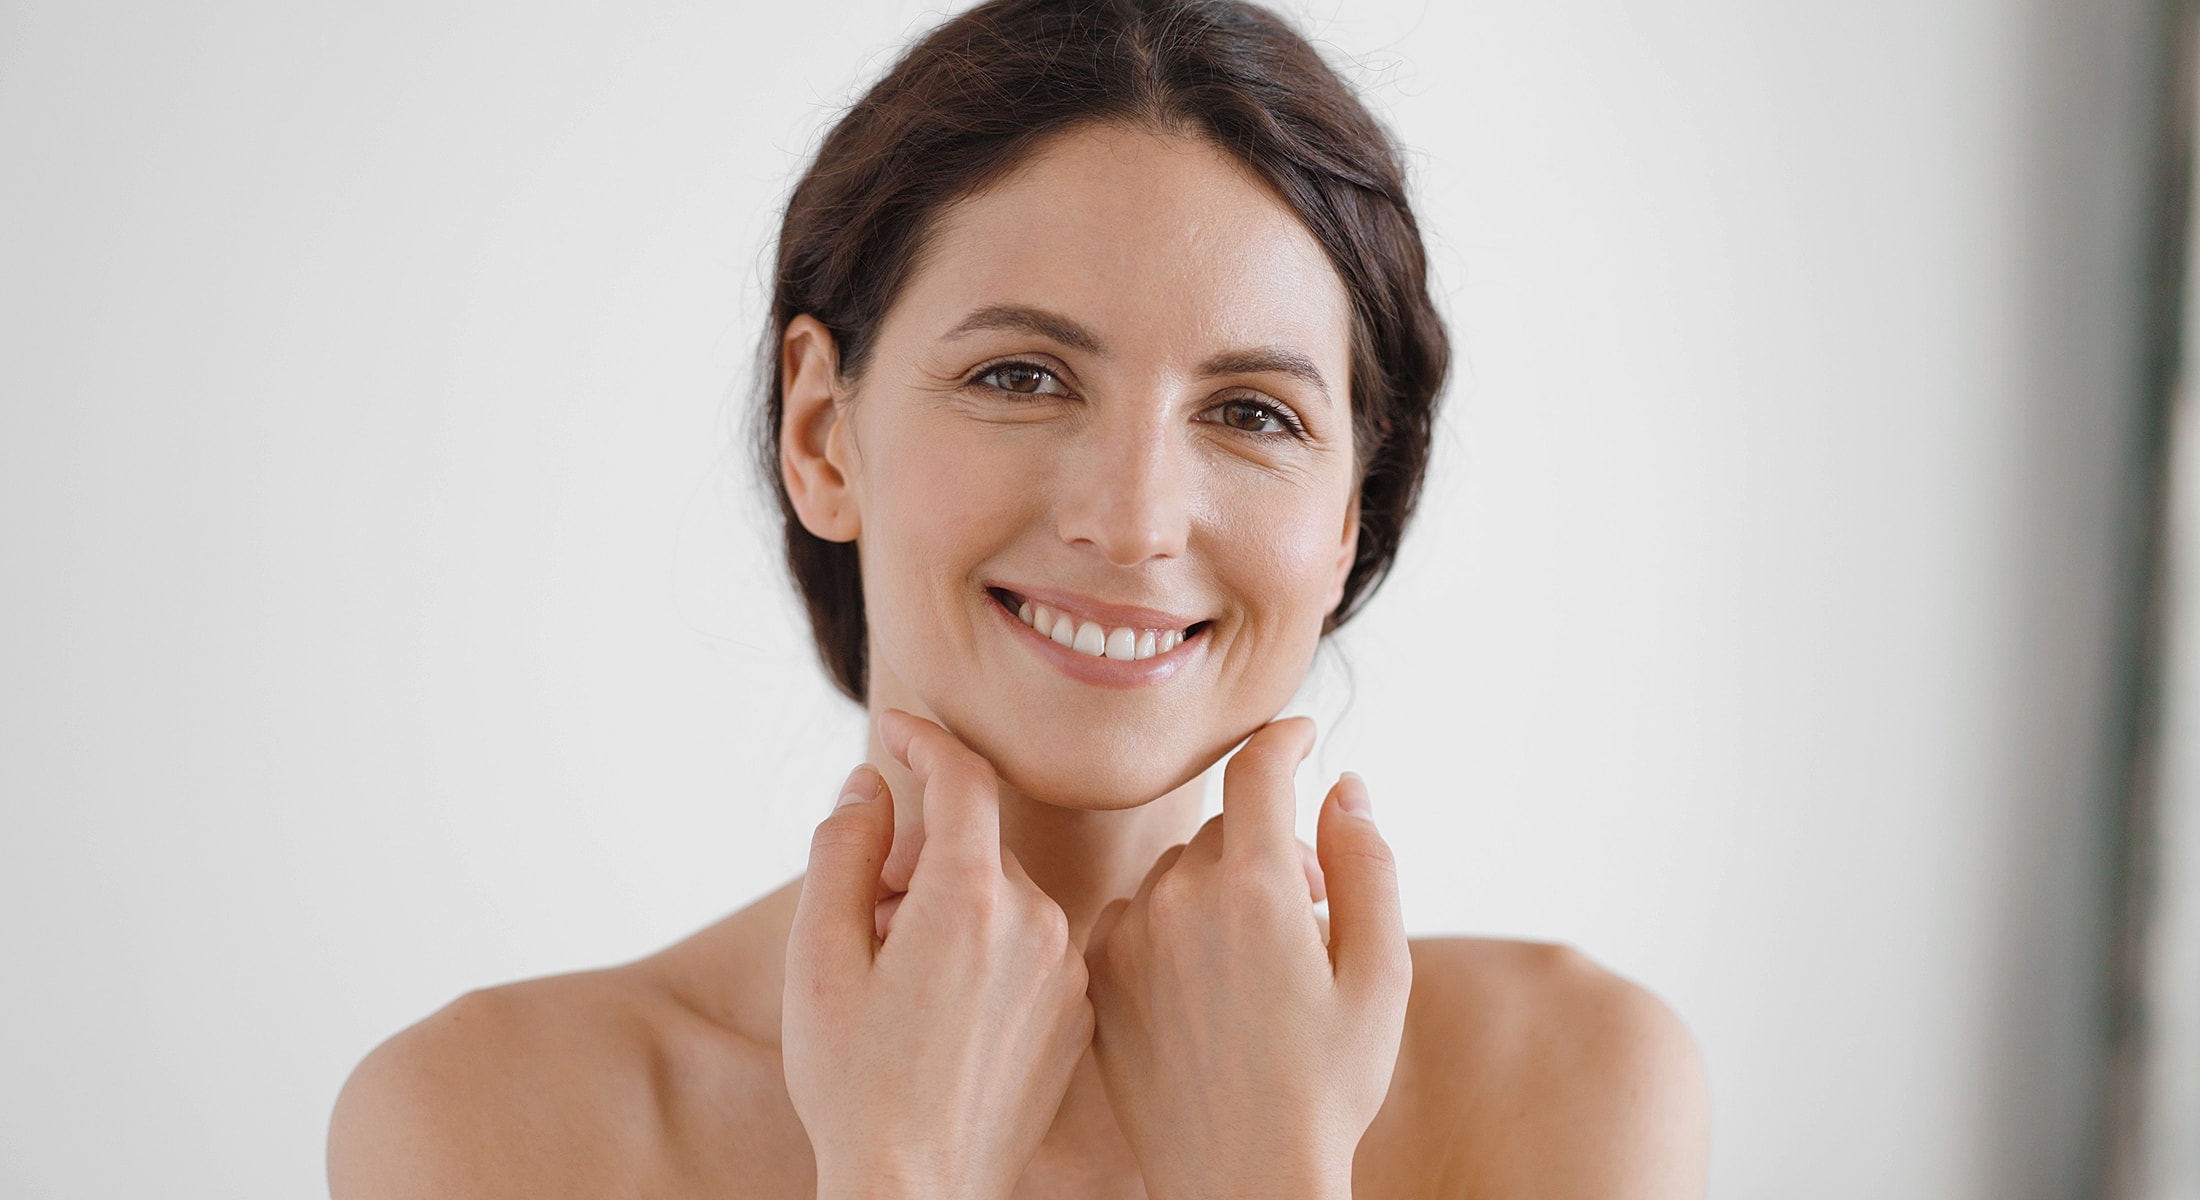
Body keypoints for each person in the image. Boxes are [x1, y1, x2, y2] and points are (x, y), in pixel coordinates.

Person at [328, 1, 1709, 1195]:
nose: (1131, 519)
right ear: (821, 431)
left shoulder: (1577, 1090)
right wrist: (900, 1173)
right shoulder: (486, 1125)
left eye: (1250, 412)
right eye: (1021, 377)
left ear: (1348, 516)